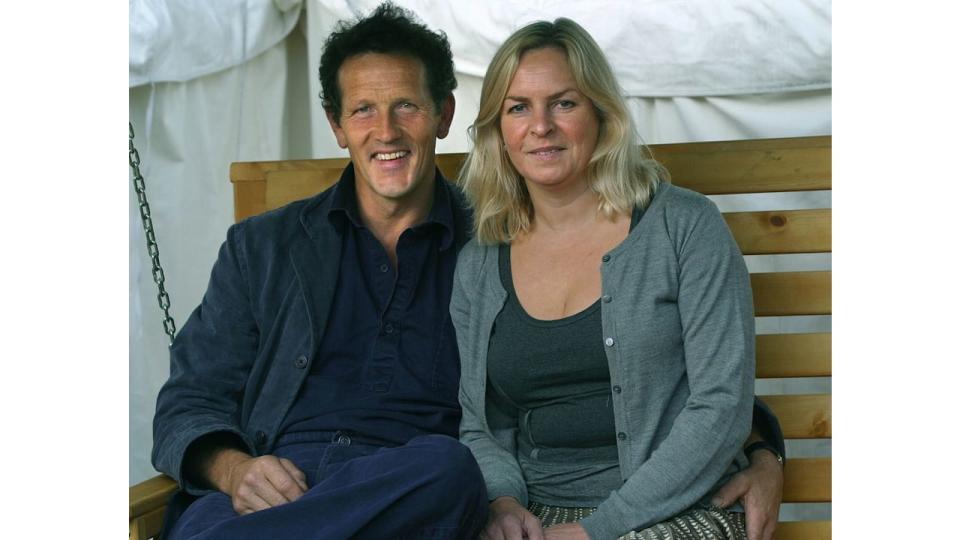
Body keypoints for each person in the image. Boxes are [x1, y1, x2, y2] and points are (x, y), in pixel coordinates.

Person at [150, 3, 783, 540]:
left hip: (412, 493)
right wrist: (234, 470)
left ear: (446, 116)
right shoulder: (263, 247)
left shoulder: (491, 235)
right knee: (220, 512)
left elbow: (672, 372)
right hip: (278, 492)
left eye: (407, 106)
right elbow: (188, 400)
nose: (387, 131)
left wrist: (761, 450)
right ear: (336, 126)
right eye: (364, 111)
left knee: (446, 468)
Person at [453, 18, 780, 540]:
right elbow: (483, 423)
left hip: (676, 509)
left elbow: (721, 404)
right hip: (537, 513)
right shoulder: (479, 262)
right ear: (498, 131)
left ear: (601, 114)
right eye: (518, 107)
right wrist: (506, 504)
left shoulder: (684, 227)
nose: (541, 126)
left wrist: (595, 531)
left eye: (564, 103)